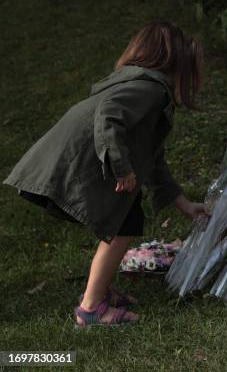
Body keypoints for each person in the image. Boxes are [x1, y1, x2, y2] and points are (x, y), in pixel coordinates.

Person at [3, 21, 207, 326]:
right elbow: (109, 116)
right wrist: (122, 169)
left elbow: (153, 159)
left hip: (78, 159)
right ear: (173, 62)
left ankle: (101, 291)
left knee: (126, 221)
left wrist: (185, 205)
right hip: (80, 163)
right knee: (123, 227)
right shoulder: (150, 88)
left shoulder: (135, 82)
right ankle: (91, 308)